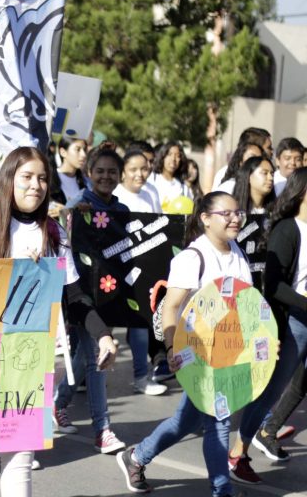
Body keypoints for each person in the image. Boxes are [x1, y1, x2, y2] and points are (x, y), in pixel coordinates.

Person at [0, 147, 117, 496]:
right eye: (26, 177)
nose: (35, 185)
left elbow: (75, 295)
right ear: (8, 179)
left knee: (19, 452)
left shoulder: (52, 232)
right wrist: (13, 272)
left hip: (30, 357)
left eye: (42, 178)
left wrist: (102, 335)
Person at [117, 191, 250, 497]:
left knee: (185, 421)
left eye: (238, 212)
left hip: (228, 353)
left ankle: (135, 456)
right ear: (205, 219)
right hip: (197, 354)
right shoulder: (193, 257)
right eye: (226, 213)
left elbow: (247, 304)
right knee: (218, 419)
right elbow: (171, 307)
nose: (235, 218)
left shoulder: (238, 252)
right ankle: (222, 489)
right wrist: (171, 350)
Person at [227, 167, 307, 484]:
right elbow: (273, 284)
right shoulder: (288, 229)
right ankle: (238, 451)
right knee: (270, 391)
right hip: (295, 322)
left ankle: (266, 432)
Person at [55, 149, 131, 449]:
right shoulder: (78, 204)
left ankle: (58, 403)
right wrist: (72, 217)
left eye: (112, 171)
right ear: (89, 172)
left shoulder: (123, 209)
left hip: (110, 294)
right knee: (98, 360)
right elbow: (62, 235)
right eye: (100, 170)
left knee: (85, 356)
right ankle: (103, 429)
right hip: (81, 296)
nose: (106, 177)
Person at [112, 149, 168, 396]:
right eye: (133, 169)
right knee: (105, 323)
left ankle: (140, 376)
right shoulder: (115, 193)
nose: (139, 174)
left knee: (140, 322)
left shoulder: (152, 192)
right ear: (124, 170)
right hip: (115, 266)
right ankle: (82, 380)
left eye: (144, 168)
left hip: (144, 268)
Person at [148, 142, 191, 210]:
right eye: (169, 154)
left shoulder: (183, 187)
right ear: (162, 157)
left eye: (177, 156)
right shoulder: (152, 179)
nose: (173, 159)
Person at [56, 136, 89, 204]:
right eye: (78, 149)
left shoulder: (87, 183)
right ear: (63, 152)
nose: (84, 155)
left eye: (85, 150)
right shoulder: (50, 179)